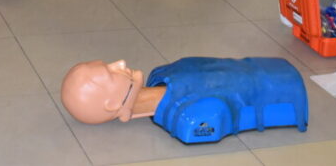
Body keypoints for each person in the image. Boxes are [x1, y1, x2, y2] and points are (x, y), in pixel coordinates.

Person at [60, 57, 308, 143]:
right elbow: (217, 115)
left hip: (263, 70)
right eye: (109, 72)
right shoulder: (189, 118)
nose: (120, 63)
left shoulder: (162, 75)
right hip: (284, 86)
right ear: (113, 105)